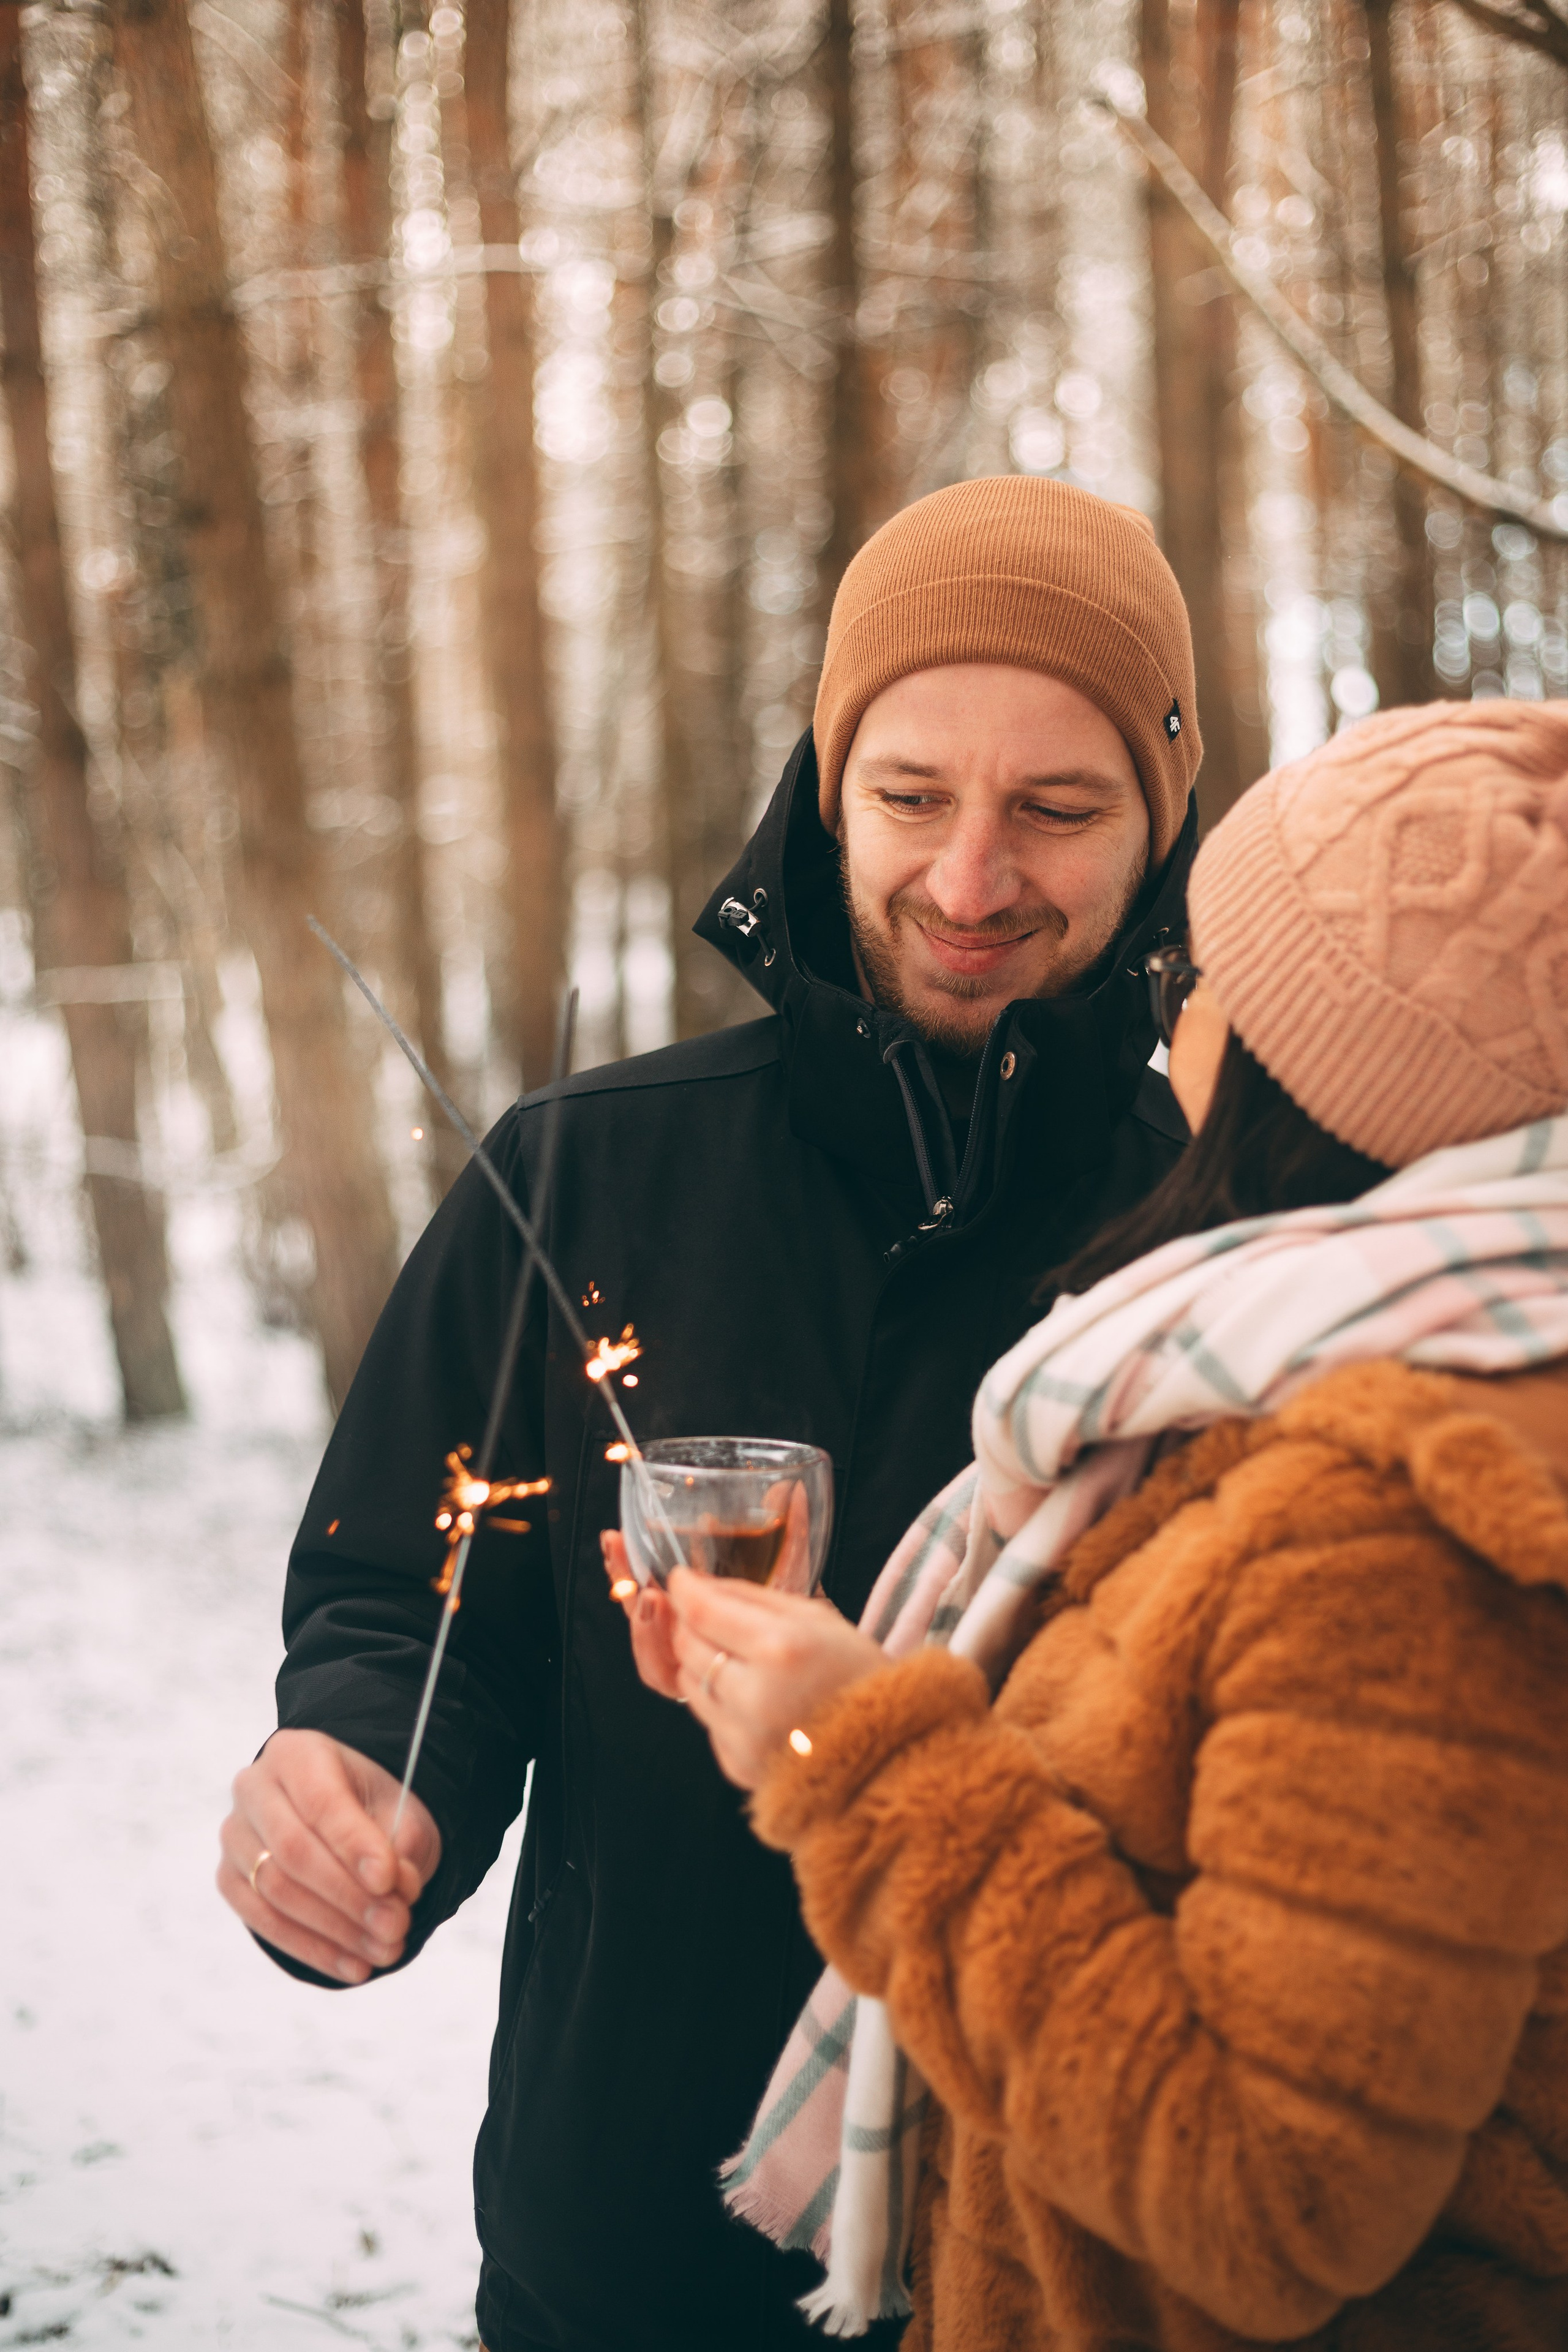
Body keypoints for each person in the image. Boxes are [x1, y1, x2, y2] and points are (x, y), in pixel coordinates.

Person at [216, 475, 1208, 2352]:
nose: (972, 878)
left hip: (1084, 2271)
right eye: (911, 796)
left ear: (1161, 825)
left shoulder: (1233, 1237)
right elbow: (415, 1604)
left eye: (1058, 809)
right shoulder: (589, 1178)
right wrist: (360, 1770)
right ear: (827, 784)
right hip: (629, 2253)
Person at [637, 698, 1568, 2349]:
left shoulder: (1391, 1529)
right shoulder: (1338, 1388)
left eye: (1197, 978)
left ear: (1319, 1065)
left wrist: (863, 1756)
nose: (1170, 1022)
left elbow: (1267, 2200)